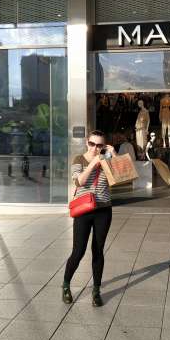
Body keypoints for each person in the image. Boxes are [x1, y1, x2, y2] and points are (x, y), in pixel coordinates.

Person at [63, 130, 116, 307]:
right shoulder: (79, 159)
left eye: (99, 145)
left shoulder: (107, 158)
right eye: (92, 144)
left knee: (98, 250)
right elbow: (79, 181)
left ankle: (96, 290)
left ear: (103, 146)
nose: (95, 148)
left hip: (103, 210)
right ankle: (66, 285)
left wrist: (114, 155)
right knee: (78, 251)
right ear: (87, 142)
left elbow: (120, 177)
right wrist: (94, 162)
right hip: (84, 210)